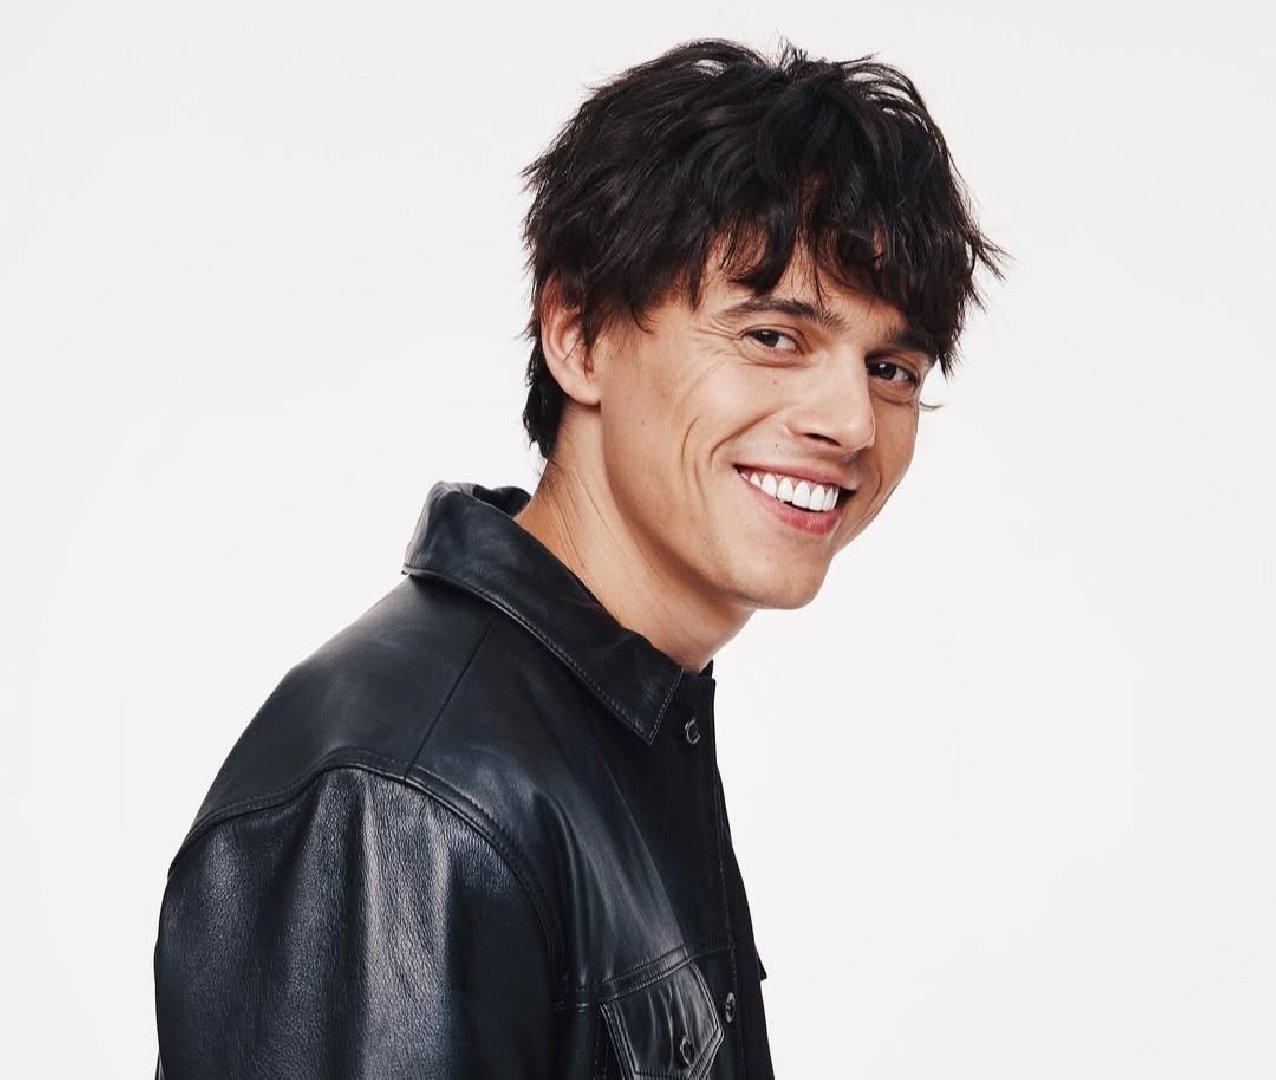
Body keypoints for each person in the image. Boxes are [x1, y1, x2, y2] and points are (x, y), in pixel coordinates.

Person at [152, 37, 1006, 1078]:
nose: (852, 423)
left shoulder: (623, 716)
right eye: (774, 337)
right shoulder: (407, 803)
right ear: (578, 334)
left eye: (892, 368)